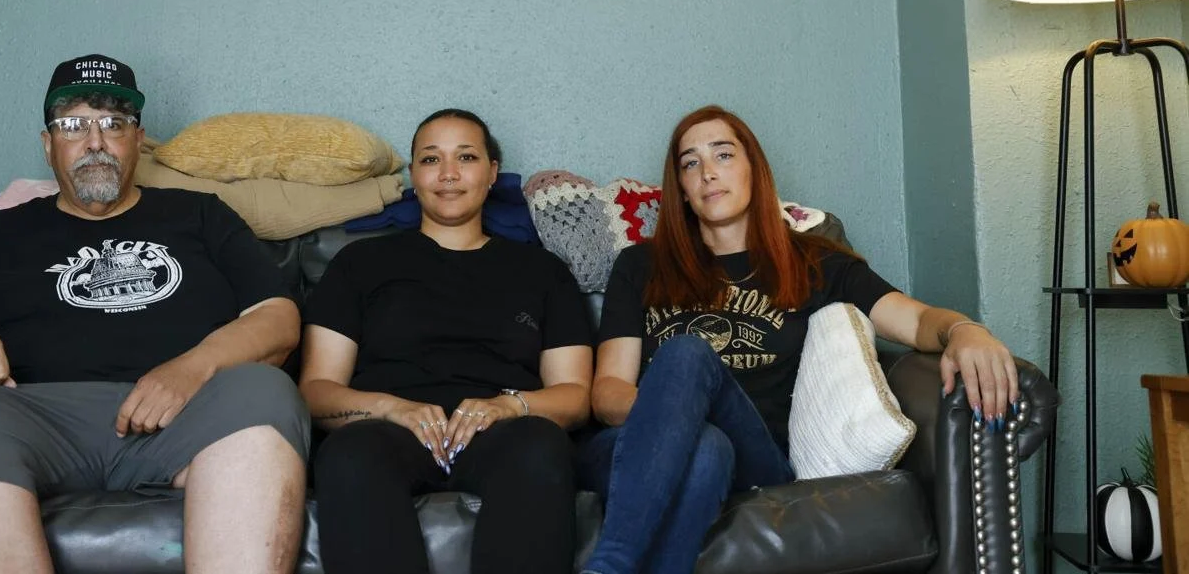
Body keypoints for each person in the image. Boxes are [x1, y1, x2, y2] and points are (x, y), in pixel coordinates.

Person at [0, 54, 310, 574]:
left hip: (186, 417)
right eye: (73, 125)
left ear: (138, 140)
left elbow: (277, 318)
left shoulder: (201, 215)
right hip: (33, 421)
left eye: (113, 124)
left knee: (264, 390)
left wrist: (192, 369)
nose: (95, 141)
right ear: (48, 144)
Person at [579, 105, 1020, 574]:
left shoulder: (815, 263)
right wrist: (677, 414)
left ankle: (609, 566)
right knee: (706, 448)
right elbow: (607, 392)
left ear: (754, 169)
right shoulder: (641, 266)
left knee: (690, 355)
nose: (708, 172)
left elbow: (915, 320)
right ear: (682, 191)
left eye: (723, 155)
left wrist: (965, 330)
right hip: (637, 446)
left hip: (757, 457)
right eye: (691, 163)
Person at [300, 109, 594, 574]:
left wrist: (508, 406)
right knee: (348, 455)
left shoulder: (542, 272)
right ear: (414, 175)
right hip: (386, 431)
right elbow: (317, 391)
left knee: (541, 446)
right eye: (431, 159)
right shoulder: (360, 263)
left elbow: (575, 396)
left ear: (492, 173)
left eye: (467, 157)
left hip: (505, 433)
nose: (449, 173)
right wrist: (390, 408)